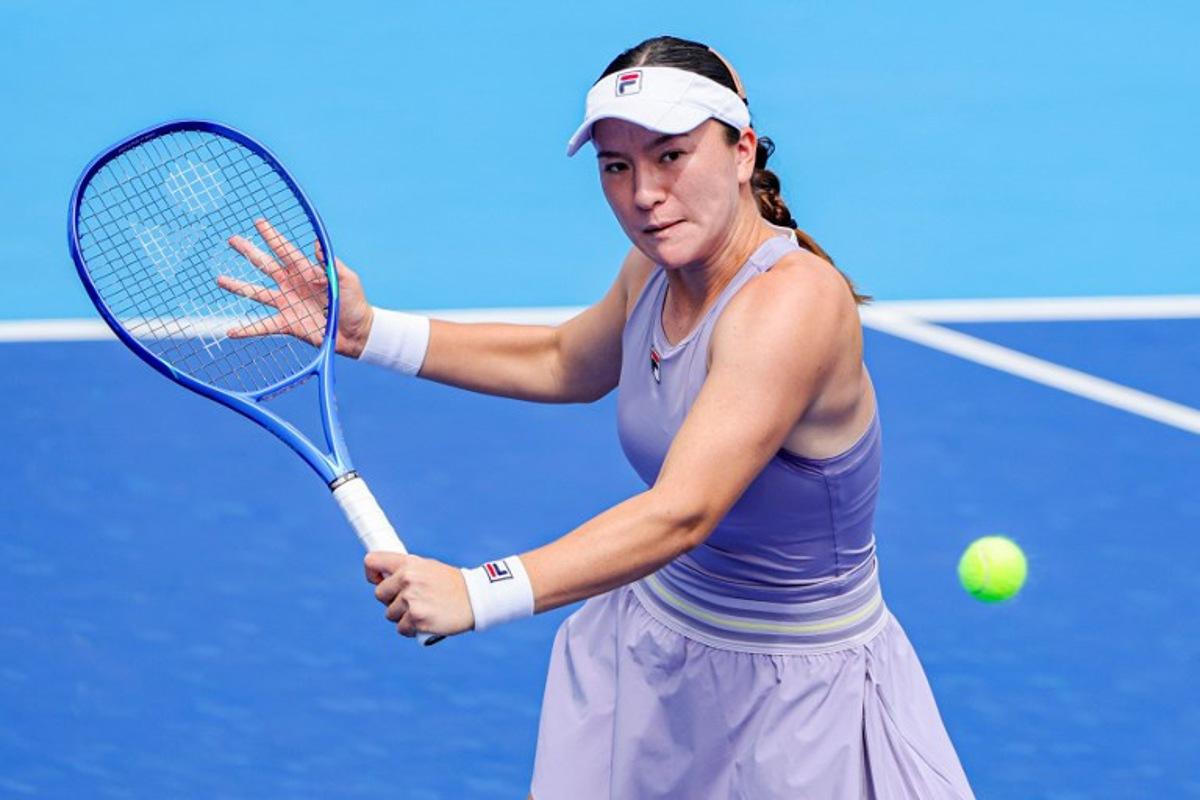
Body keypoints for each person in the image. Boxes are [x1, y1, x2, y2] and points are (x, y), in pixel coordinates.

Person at [221, 34, 975, 800]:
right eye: (617, 166)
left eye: (671, 155)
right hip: (656, 654)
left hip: (798, 696)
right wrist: (366, 333)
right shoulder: (655, 268)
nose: (644, 194)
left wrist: (481, 591)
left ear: (742, 151)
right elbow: (562, 361)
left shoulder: (793, 305)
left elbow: (683, 512)